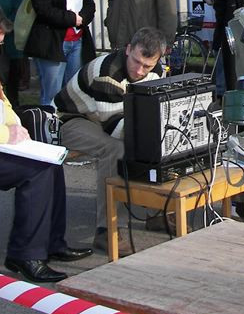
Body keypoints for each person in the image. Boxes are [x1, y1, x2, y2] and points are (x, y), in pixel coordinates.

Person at [0, 1, 91, 282]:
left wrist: (15, 125)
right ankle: (25, 254)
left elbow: (2, 100)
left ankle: (51, 243)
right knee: (37, 172)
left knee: (52, 160)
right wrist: (4, 134)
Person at [55, 27, 166, 254]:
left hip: (107, 117)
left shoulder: (158, 71)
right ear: (128, 49)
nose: (139, 70)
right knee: (115, 149)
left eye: (147, 65)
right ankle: (108, 230)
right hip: (73, 118)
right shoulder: (107, 73)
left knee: (159, 142)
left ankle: (156, 212)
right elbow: (115, 128)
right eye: (135, 61)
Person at [25, 0, 96, 106]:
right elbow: (43, 9)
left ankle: (68, 129)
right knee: (52, 95)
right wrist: (73, 19)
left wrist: (83, 18)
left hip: (76, 42)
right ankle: (47, 130)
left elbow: (89, 5)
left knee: (74, 93)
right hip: (52, 44)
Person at [203, 0, 234, 98]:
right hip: (220, 17)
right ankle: (221, 91)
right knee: (218, 50)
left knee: (225, 52)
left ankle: (224, 91)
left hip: (231, 18)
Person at [8, 0, 33, 91]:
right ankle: (15, 78)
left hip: (24, 17)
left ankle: (25, 79)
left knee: (23, 50)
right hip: (11, 17)